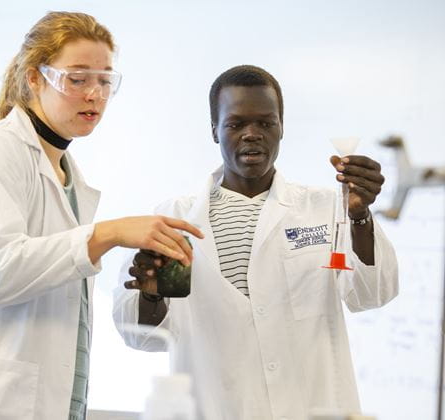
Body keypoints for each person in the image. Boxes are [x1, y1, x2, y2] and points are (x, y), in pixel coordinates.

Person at [0, 12, 202, 420]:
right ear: (34, 78)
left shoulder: (68, 177)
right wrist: (107, 234)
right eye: (77, 79)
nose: (95, 94)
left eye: (105, 80)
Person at [113, 65, 399, 420]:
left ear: (281, 128)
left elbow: (371, 295)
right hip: (215, 409)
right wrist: (152, 295)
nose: (252, 135)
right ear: (215, 131)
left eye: (266, 123)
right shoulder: (176, 222)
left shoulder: (327, 209)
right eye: (235, 124)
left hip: (312, 408)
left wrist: (358, 217)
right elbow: (144, 338)